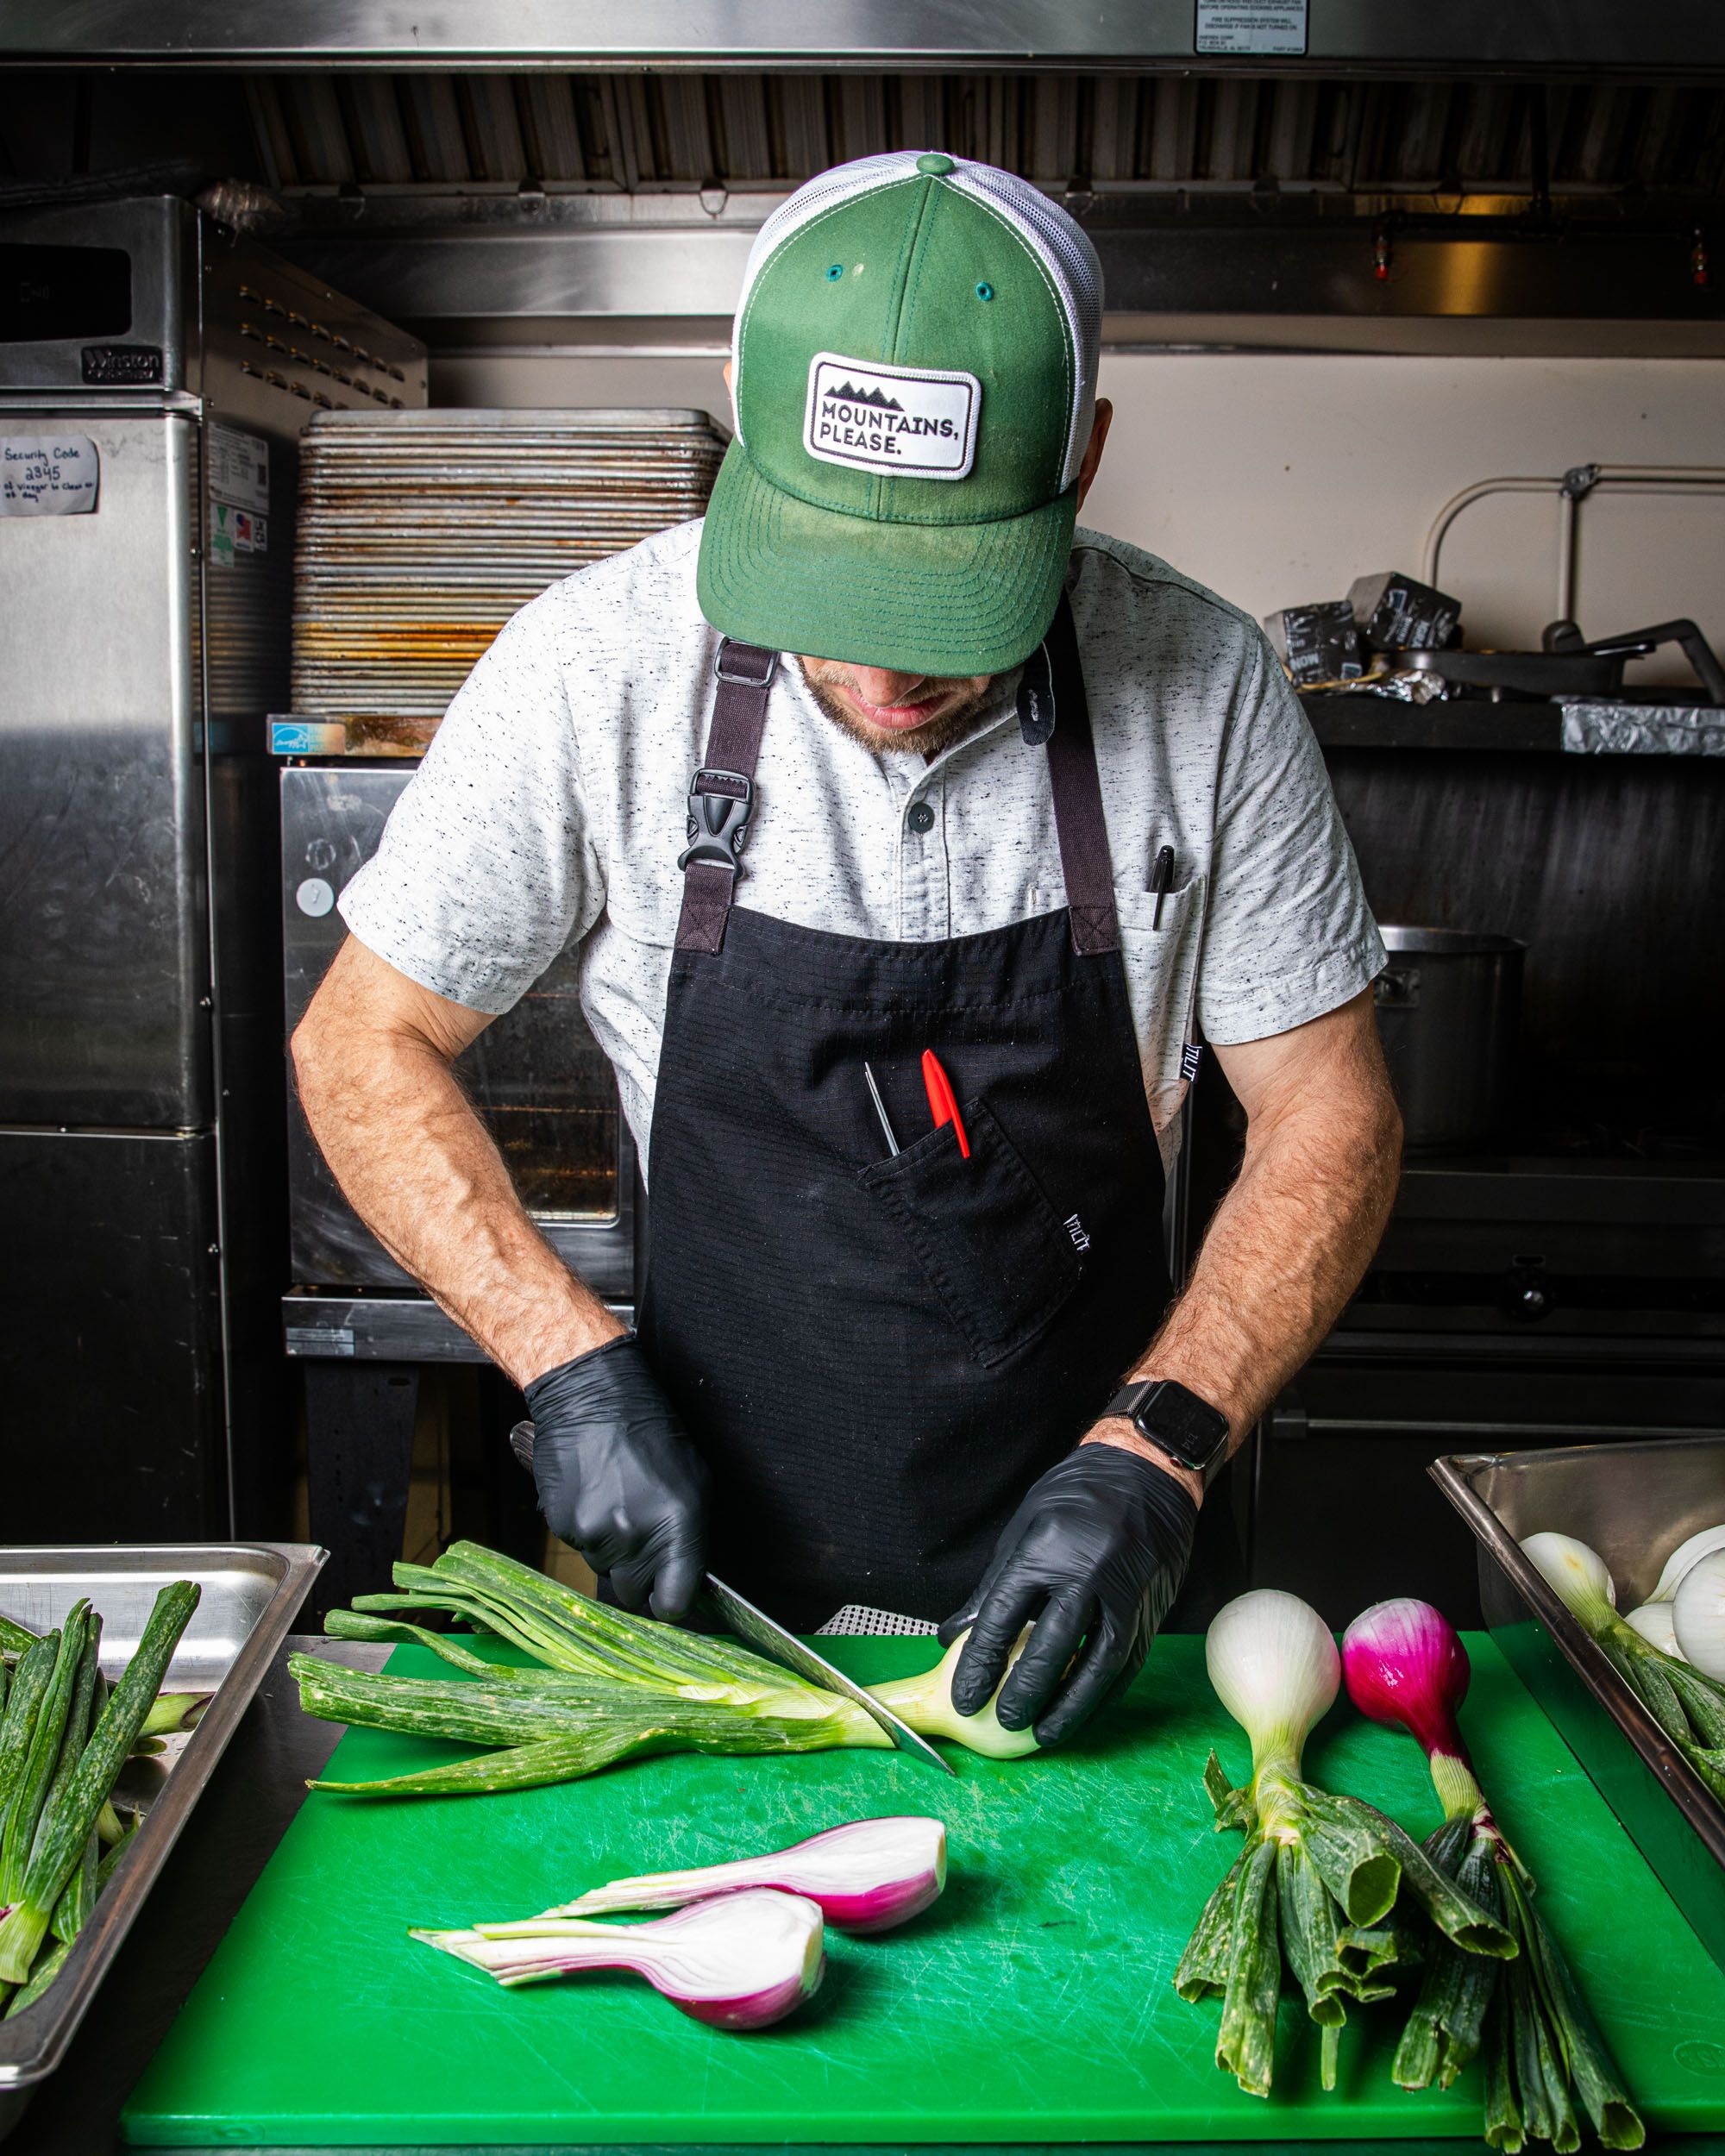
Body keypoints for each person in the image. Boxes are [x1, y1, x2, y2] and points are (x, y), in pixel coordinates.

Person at [292, 149, 1401, 1752]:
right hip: (713, 1577)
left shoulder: (1205, 686)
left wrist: (1156, 1450)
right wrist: (568, 1371)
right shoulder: (595, 663)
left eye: (953, 599)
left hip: (1093, 1563)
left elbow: (1333, 1111)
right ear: (752, 443)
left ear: (1079, 464)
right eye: (838, 587)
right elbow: (359, 1041)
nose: (890, 668)